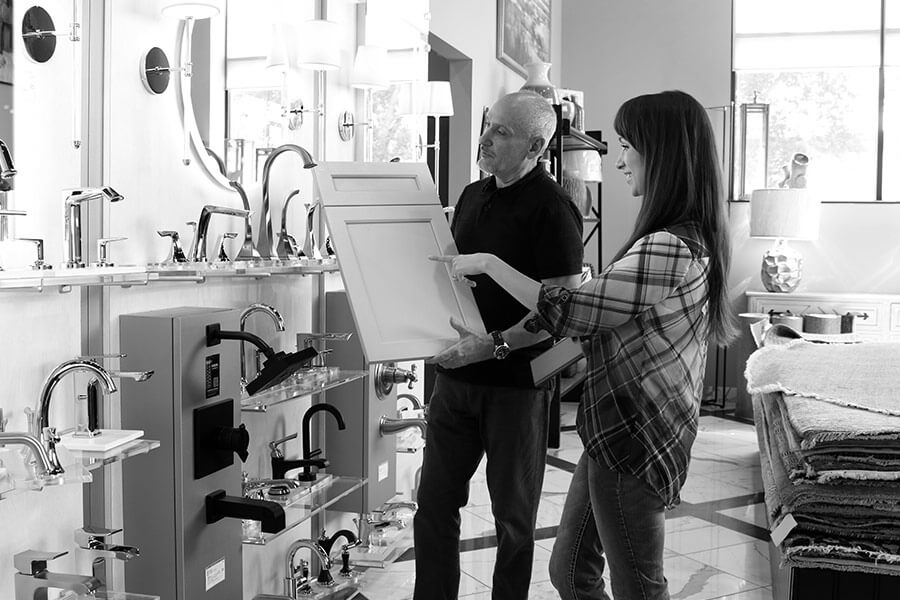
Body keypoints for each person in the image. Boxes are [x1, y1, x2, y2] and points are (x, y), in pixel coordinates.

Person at [430, 89, 738, 600]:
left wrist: (488, 268)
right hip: (613, 429)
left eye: (627, 145)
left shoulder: (668, 245)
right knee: (571, 572)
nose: (618, 160)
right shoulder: (675, 238)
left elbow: (572, 311)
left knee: (635, 585)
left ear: (661, 154)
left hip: (634, 435)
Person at [413, 91, 585, 600]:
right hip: (455, 383)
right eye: (487, 126)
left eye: (500, 132)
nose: (484, 139)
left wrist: (492, 347)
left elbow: (561, 311)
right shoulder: (470, 195)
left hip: (516, 389)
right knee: (435, 505)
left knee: (514, 521)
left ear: (536, 146)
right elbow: (450, 283)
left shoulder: (555, 209)